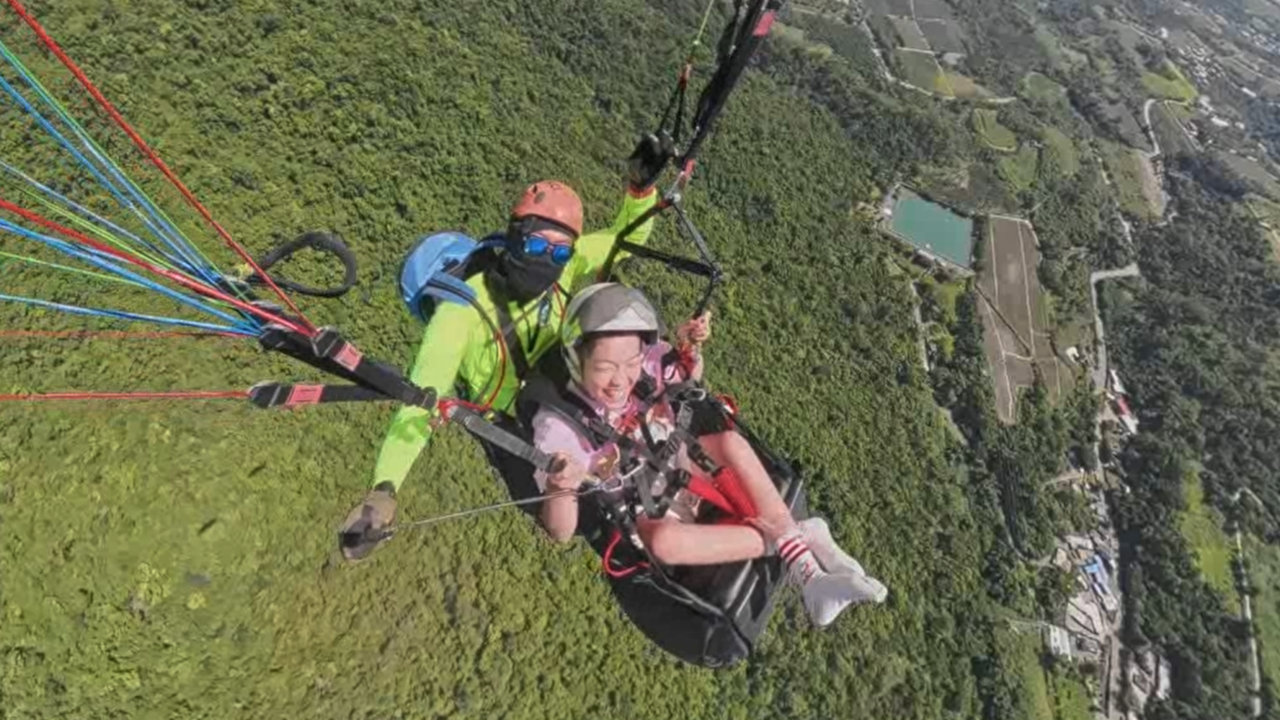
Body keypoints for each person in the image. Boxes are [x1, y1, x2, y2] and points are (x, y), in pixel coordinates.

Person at [340, 137, 673, 560]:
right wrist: (383, 491)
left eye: (558, 251)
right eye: (535, 246)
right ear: (517, 236)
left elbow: (624, 238)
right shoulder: (459, 313)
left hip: (564, 387)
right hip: (513, 426)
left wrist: (640, 190)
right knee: (580, 520)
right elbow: (420, 402)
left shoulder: (567, 264)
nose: (547, 258)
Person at [530, 283, 888, 628]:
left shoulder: (648, 363)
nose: (620, 381)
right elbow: (561, 531)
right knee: (664, 542)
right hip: (647, 509)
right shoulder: (558, 427)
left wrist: (690, 348)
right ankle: (802, 540)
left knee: (730, 443)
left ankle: (807, 572)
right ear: (576, 360)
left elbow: (687, 378)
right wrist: (561, 486)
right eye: (604, 368)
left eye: (630, 364)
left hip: (683, 462)